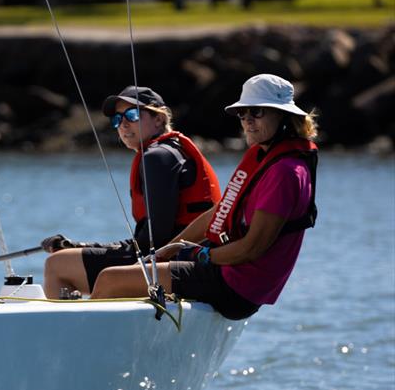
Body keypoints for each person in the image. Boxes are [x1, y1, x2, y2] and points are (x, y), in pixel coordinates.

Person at [91, 74, 318, 321]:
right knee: (135, 273)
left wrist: (201, 256)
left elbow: (252, 248)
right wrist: (168, 250)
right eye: (243, 114)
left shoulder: (285, 173)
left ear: (284, 116)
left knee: (110, 279)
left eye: (258, 112)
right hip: (230, 273)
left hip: (236, 287)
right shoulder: (265, 158)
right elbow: (220, 212)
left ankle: (89, 355)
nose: (248, 121)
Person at [42, 86, 221, 299]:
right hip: (188, 257)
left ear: (158, 119)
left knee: (56, 265)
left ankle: (73, 328)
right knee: (64, 258)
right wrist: (81, 246)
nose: (123, 124)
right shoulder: (170, 152)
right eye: (117, 119)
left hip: (175, 260)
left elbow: (155, 240)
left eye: (132, 115)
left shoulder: (157, 157)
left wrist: (88, 247)